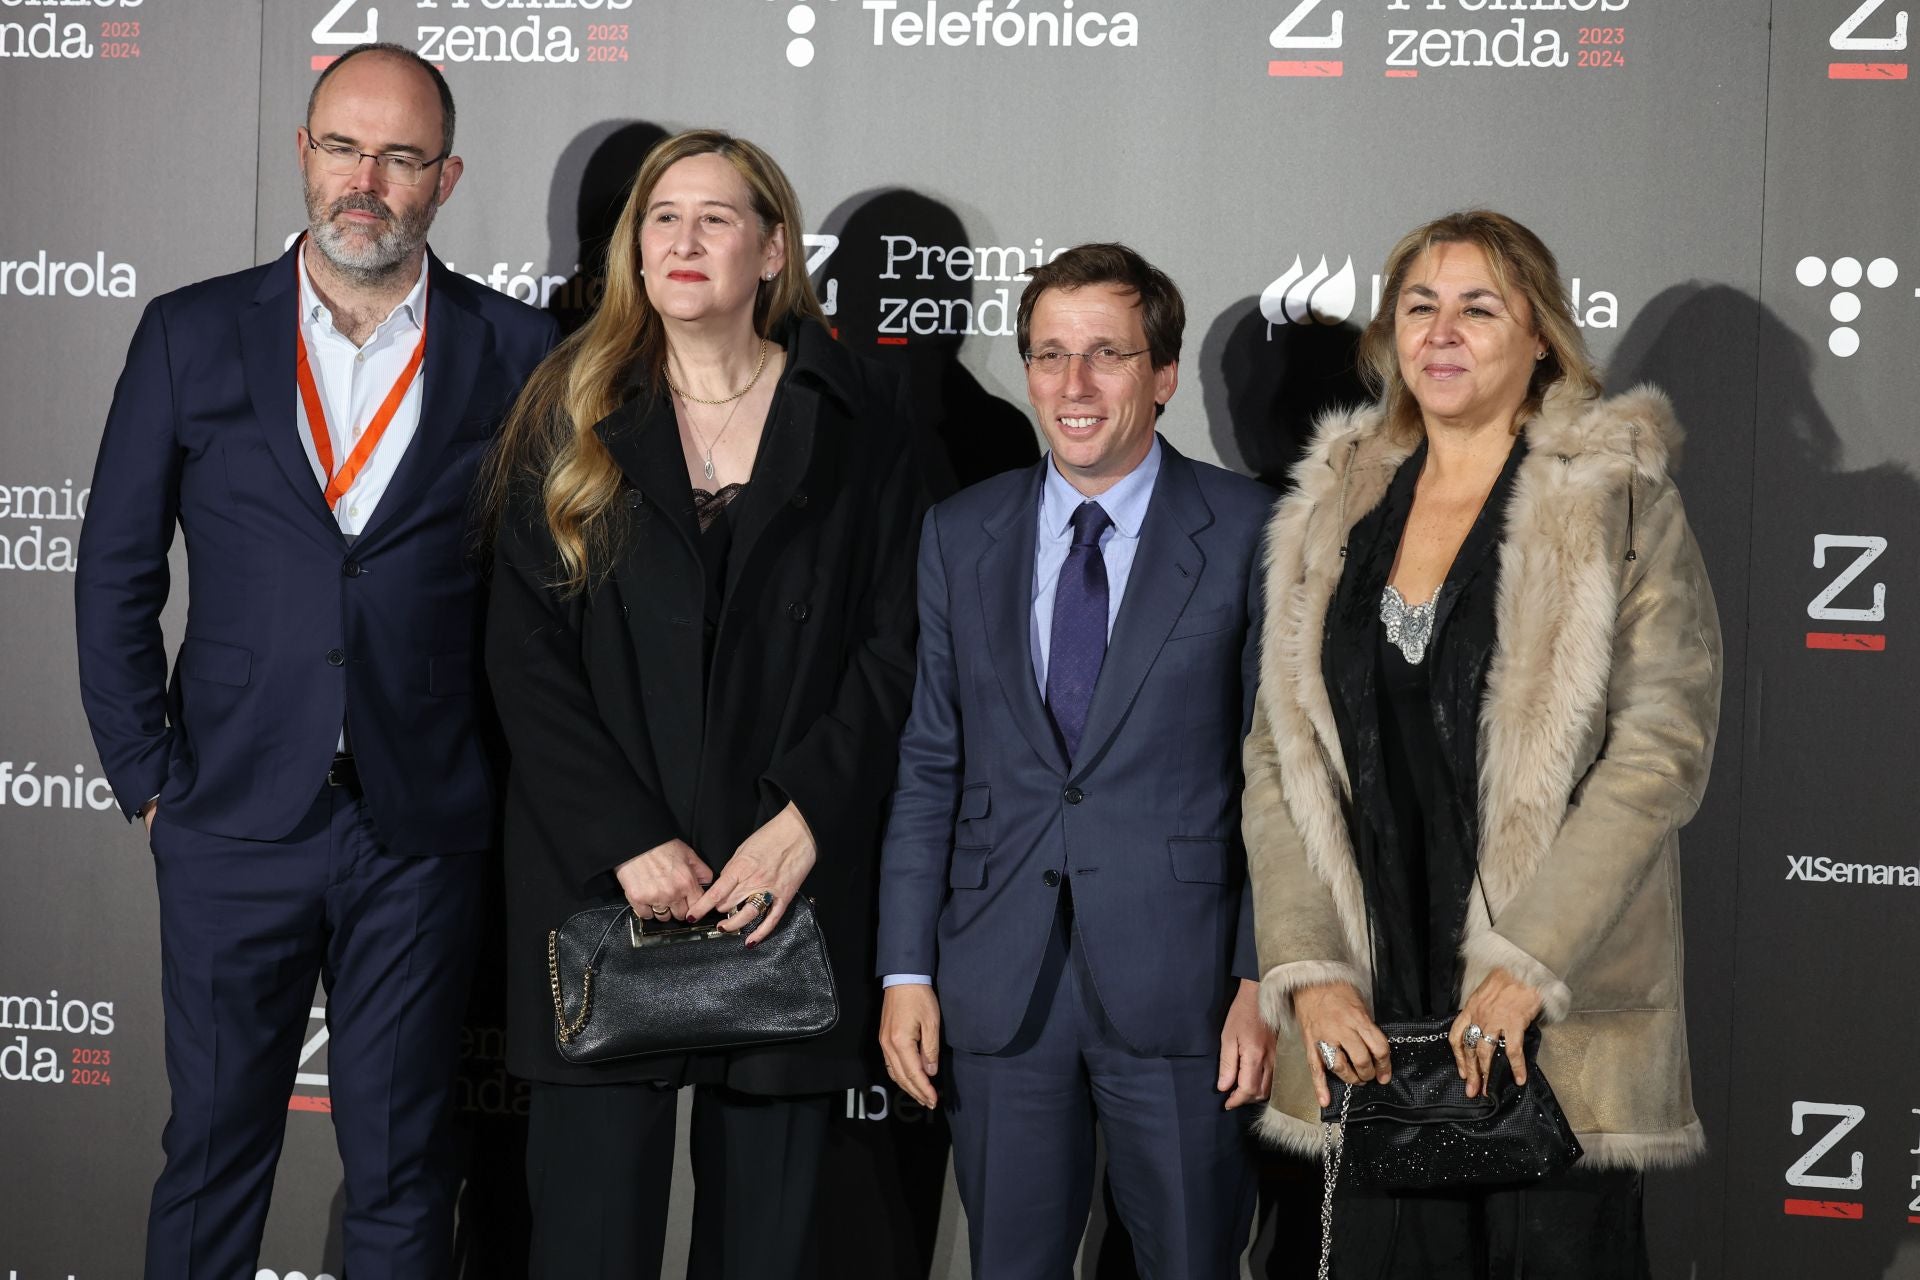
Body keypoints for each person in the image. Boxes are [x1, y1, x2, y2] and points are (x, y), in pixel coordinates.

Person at [73, 43, 556, 1279]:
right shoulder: (191, 333)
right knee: (216, 1146)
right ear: (303, 154)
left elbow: (549, 598)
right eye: (343, 147)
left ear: (445, 178)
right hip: (230, 812)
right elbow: (116, 572)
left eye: (399, 157)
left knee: (403, 1162)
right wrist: (148, 775)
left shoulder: (518, 351)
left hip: (422, 822)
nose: (366, 180)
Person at [1242, 210, 1722, 1275]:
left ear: (1540, 333)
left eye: (1478, 306)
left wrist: (1530, 962)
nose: (1442, 331)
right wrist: (1311, 970)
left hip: (1554, 1012)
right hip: (1376, 1016)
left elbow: (1660, 749)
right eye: (1420, 306)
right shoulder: (1336, 501)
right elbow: (1280, 757)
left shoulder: (1619, 496)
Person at [482, 129, 922, 1280]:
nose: (683, 241)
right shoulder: (569, 405)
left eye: (715, 218)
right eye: (662, 217)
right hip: (602, 881)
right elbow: (522, 656)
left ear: (772, 249)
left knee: (769, 1243)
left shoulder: (864, 416)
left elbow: (899, 645)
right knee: (586, 1239)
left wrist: (806, 818)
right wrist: (627, 838)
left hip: (778, 885)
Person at [876, 243, 1274, 1279]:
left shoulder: (1251, 533)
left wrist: (1259, 974)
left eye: (1106, 353)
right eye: (1050, 355)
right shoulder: (961, 532)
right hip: (1000, 983)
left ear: (1164, 373)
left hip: (1187, 989)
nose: (1074, 385)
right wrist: (907, 966)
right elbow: (931, 760)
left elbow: (1285, 781)